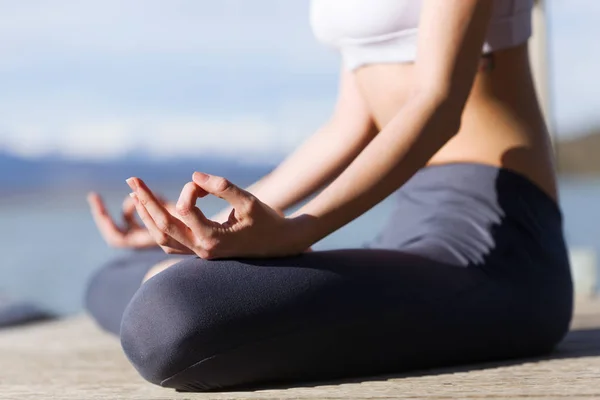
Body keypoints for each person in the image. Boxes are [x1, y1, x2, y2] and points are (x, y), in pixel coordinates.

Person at [85, 0, 574, 392]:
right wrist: (204, 228)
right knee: (119, 278)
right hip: (409, 220)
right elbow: (352, 122)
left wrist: (302, 229)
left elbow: (438, 105)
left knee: (165, 316)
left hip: (497, 241)